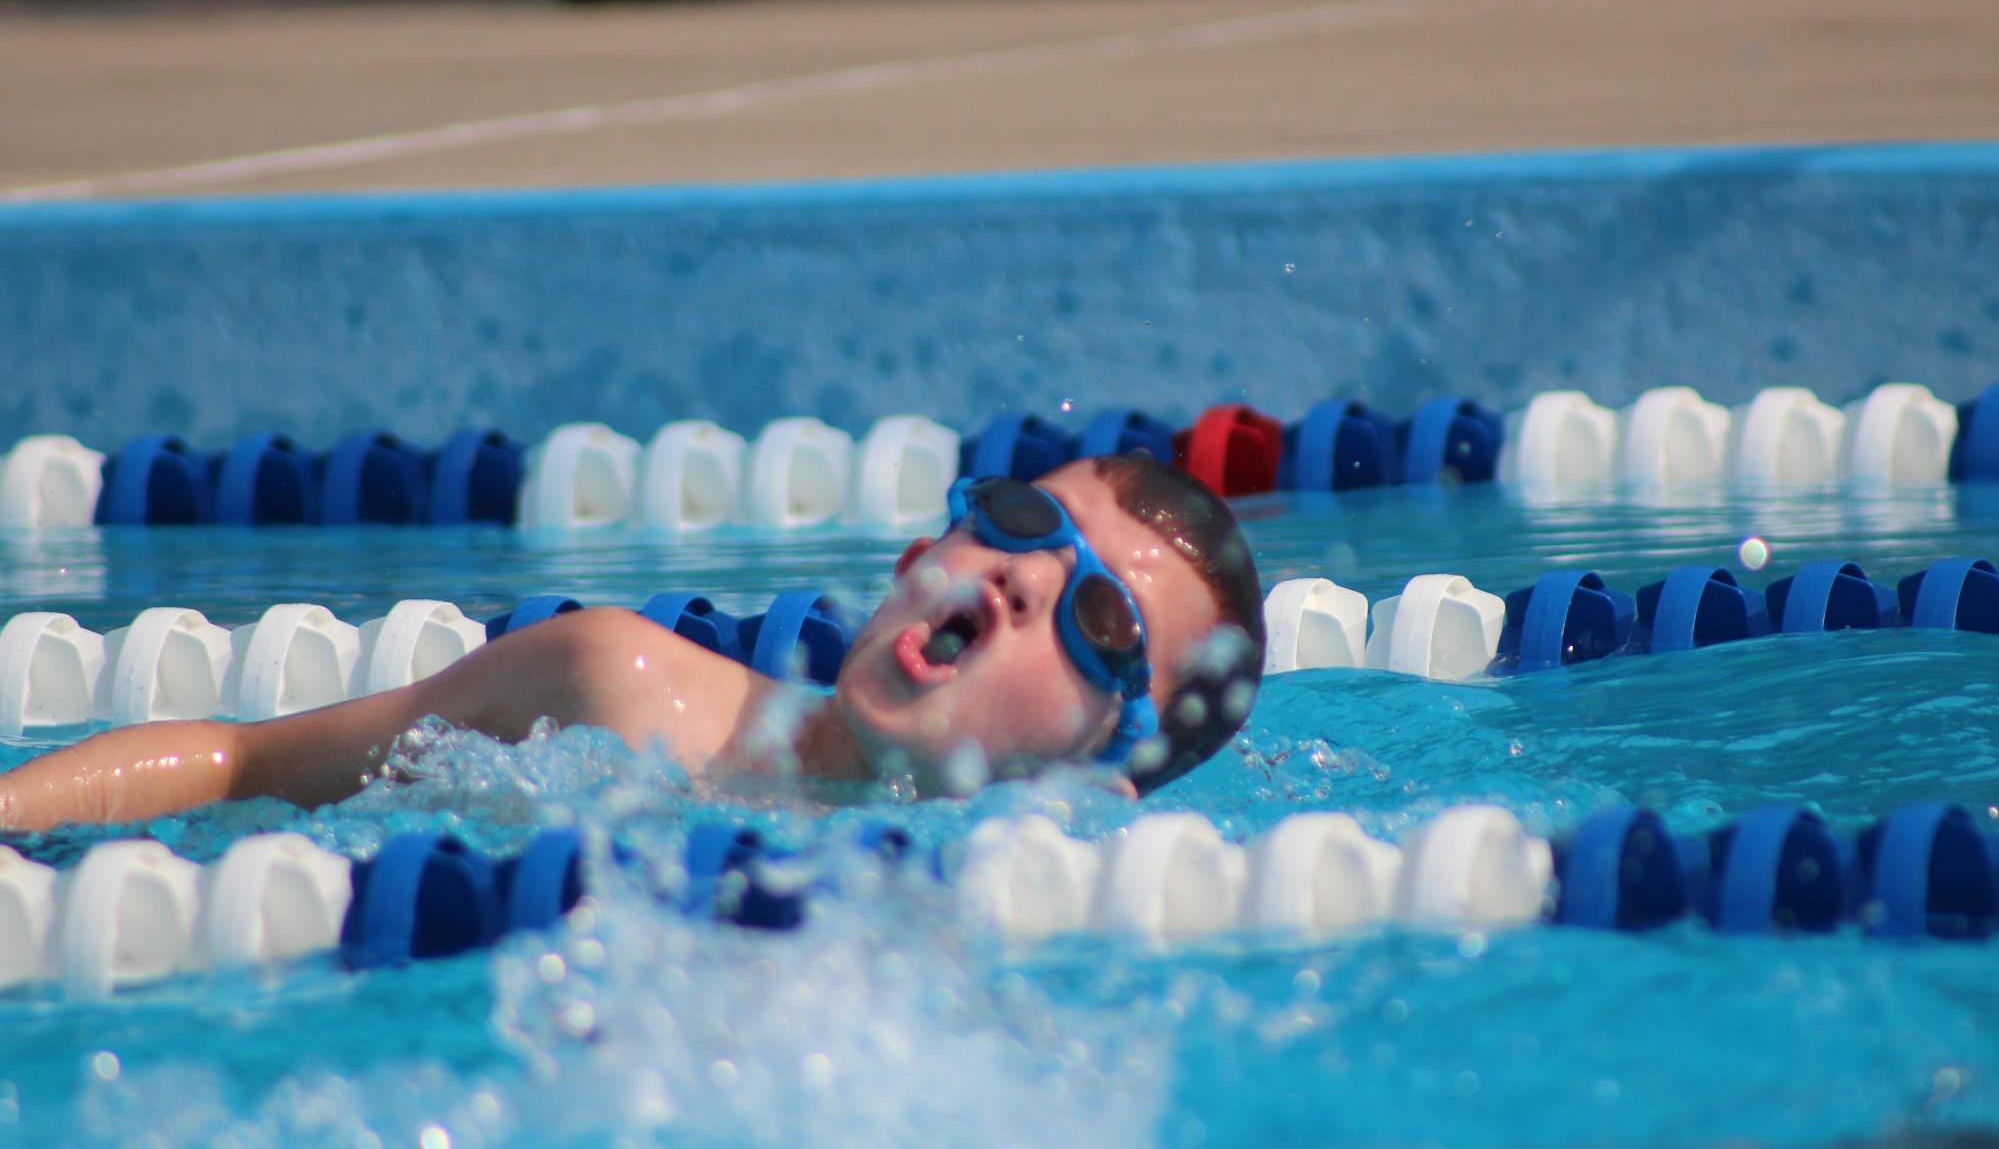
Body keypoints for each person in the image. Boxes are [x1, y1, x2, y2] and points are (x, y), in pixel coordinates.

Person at [0, 455, 1265, 832]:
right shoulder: (616, 683)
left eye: (1103, 622)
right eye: (1020, 520)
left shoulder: (1035, 933)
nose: (1025, 579)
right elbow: (234, 765)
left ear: (1108, 767)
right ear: (912, 563)